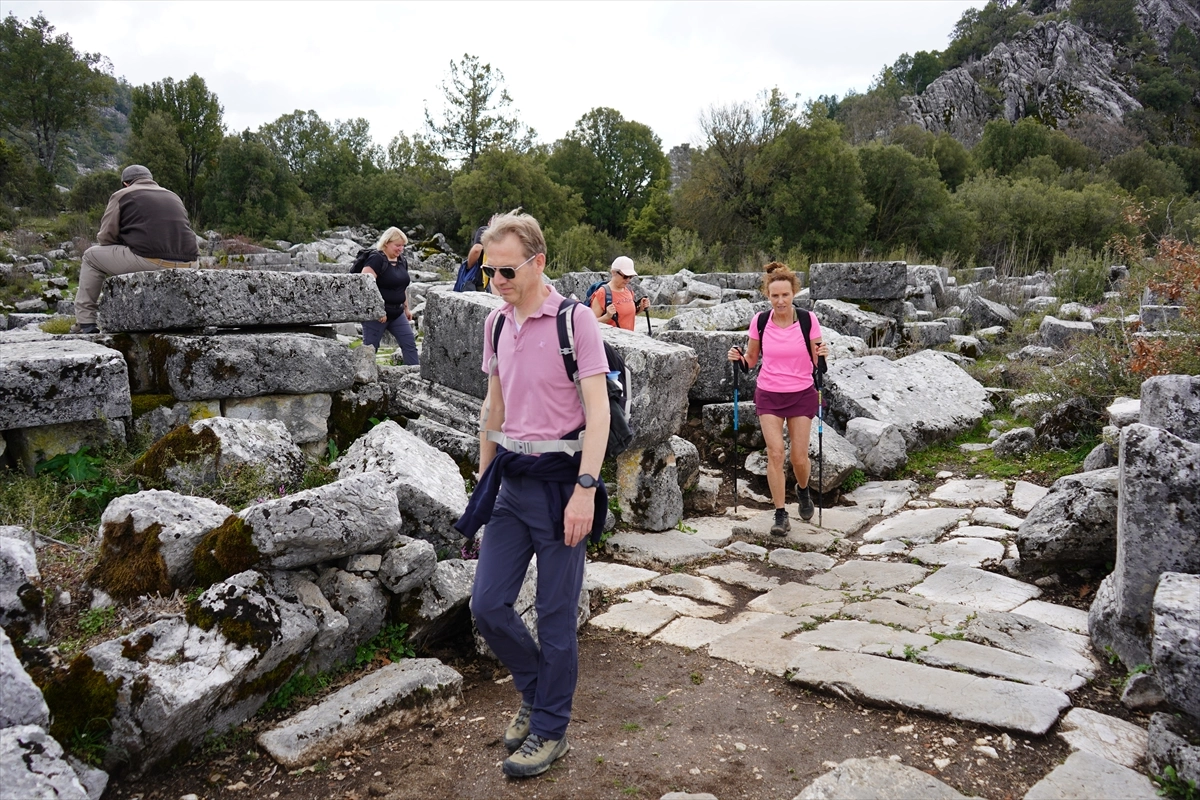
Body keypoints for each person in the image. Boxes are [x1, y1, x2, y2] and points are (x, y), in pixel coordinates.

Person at [457, 210, 610, 779]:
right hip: (508, 484)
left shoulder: (576, 323)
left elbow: (598, 415)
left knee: (553, 614)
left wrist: (586, 493)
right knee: (488, 605)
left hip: (561, 485)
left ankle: (550, 729)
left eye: (506, 270)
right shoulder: (496, 324)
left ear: (538, 262)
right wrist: (483, 473)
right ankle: (536, 689)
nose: (496, 280)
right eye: (489, 271)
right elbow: (493, 406)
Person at [727, 262, 829, 536]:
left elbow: (818, 359)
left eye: (785, 295)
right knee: (775, 453)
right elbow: (751, 360)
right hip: (769, 393)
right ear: (768, 296)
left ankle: (803, 490)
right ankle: (781, 513)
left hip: (801, 392)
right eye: (775, 296)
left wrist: (823, 354)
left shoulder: (808, 319)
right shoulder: (760, 321)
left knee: (798, 457)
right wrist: (739, 358)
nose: (780, 301)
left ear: (794, 293)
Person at [72, 164, 199, 333]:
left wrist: (125, 243)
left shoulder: (122, 195)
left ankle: (85, 322)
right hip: (191, 263)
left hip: (150, 260)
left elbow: (105, 237)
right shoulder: (172, 195)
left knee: (90, 257)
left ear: (126, 183)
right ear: (151, 180)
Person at [360, 226, 420, 365]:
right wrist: (378, 310)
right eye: (397, 245)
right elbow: (365, 285)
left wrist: (406, 308)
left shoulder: (401, 261)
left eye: (403, 246)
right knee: (370, 348)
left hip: (397, 312)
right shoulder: (376, 259)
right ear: (386, 243)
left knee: (409, 344)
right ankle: (364, 378)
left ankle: (414, 375)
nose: (400, 249)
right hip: (376, 315)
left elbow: (401, 286)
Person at [590, 255, 649, 330]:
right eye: (625, 276)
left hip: (629, 340)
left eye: (630, 277)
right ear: (613, 272)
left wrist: (641, 308)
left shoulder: (629, 290)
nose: (628, 280)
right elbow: (591, 324)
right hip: (611, 340)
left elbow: (626, 316)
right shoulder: (602, 293)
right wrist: (607, 317)